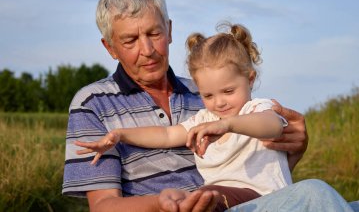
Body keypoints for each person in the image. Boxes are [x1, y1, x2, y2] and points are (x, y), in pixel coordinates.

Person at [62, 0, 359, 212]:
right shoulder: (92, 104)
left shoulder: (207, 92)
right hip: (190, 206)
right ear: (109, 47)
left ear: (169, 30)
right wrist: (160, 201)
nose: (146, 50)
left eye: (154, 34)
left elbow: (255, 164)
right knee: (314, 194)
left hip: (242, 200)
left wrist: (294, 149)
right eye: (130, 40)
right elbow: (104, 206)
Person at [74, 22, 293, 211]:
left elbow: (272, 126)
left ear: (250, 79)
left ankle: (193, 203)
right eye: (208, 95)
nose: (219, 102)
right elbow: (167, 135)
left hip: (267, 199)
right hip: (221, 202)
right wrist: (121, 135)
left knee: (206, 196)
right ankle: (188, 203)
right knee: (204, 198)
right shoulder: (204, 119)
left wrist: (228, 125)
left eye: (228, 91)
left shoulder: (256, 109)